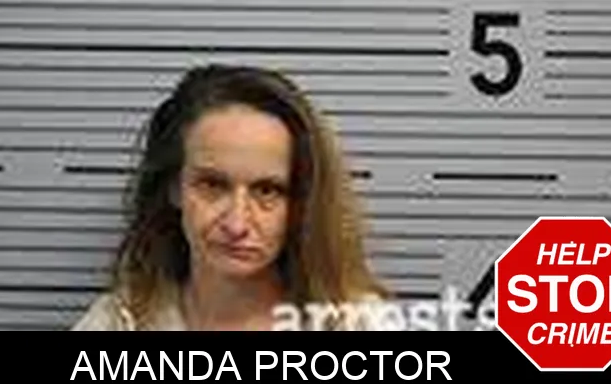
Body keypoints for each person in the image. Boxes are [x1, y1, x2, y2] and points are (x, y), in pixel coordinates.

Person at [72, 64, 386, 331]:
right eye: (212, 185)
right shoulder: (117, 323)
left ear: (305, 202)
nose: (237, 225)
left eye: (267, 191)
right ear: (173, 188)